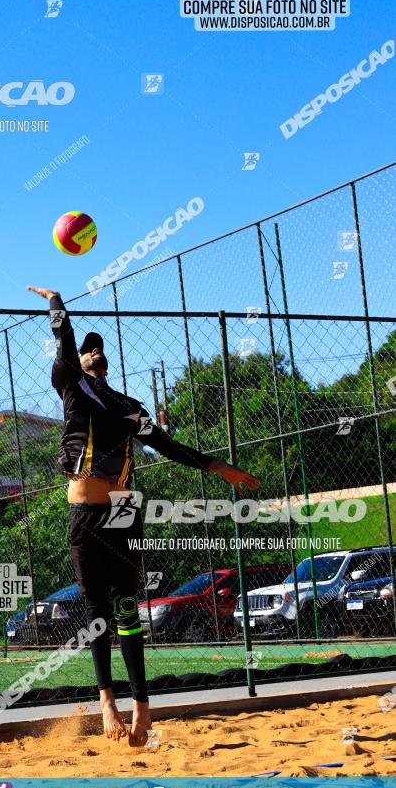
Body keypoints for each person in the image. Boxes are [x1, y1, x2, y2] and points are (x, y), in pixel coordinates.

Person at [27, 286, 259, 746]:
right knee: (96, 611)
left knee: (129, 609)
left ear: (106, 362)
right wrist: (56, 304)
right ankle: (107, 702)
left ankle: (143, 707)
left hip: (123, 509)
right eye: (86, 348)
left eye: (99, 348)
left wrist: (218, 467)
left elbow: (167, 446)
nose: (92, 352)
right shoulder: (72, 389)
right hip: (85, 509)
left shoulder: (131, 409)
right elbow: (64, 343)